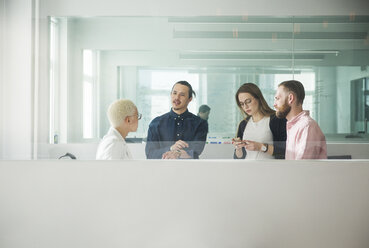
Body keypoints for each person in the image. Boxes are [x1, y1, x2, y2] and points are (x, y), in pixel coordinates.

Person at [145, 81, 208, 159]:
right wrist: (171, 148)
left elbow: (196, 151)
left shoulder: (200, 124)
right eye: (174, 93)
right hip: (162, 169)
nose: (177, 98)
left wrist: (177, 153)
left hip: (190, 169)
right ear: (171, 95)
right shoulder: (156, 123)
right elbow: (150, 154)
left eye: (182, 95)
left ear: (190, 99)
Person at [274, 80, 327, 159]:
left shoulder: (307, 126)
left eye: (277, 98)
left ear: (290, 98)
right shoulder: (294, 126)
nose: (274, 104)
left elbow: (302, 168)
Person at [233, 83, 287, 160]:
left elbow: (284, 151)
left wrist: (261, 147)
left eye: (248, 101)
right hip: (247, 169)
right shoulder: (243, 124)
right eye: (242, 104)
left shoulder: (276, 119)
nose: (245, 107)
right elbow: (238, 157)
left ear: (258, 98)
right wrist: (238, 148)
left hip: (269, 169)